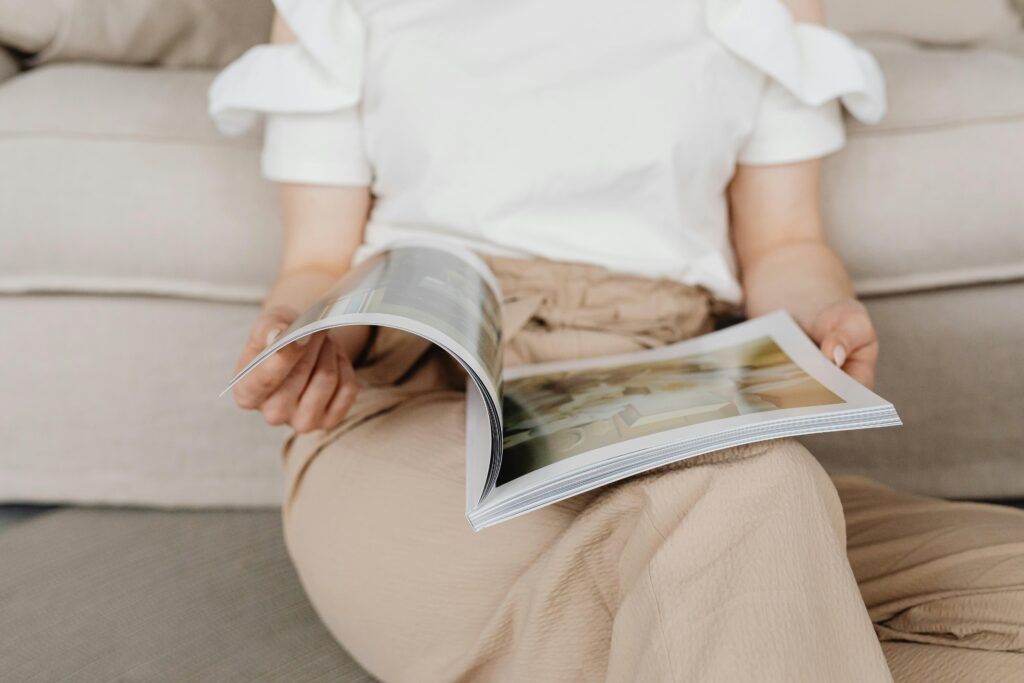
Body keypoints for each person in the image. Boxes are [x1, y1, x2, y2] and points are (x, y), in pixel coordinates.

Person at [209, 0, 1024, 680]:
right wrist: (300, 338)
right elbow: (316, 261)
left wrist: (821, 313)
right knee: (756, 501)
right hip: (425, 401)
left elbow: (783, 245)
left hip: (664, 406)